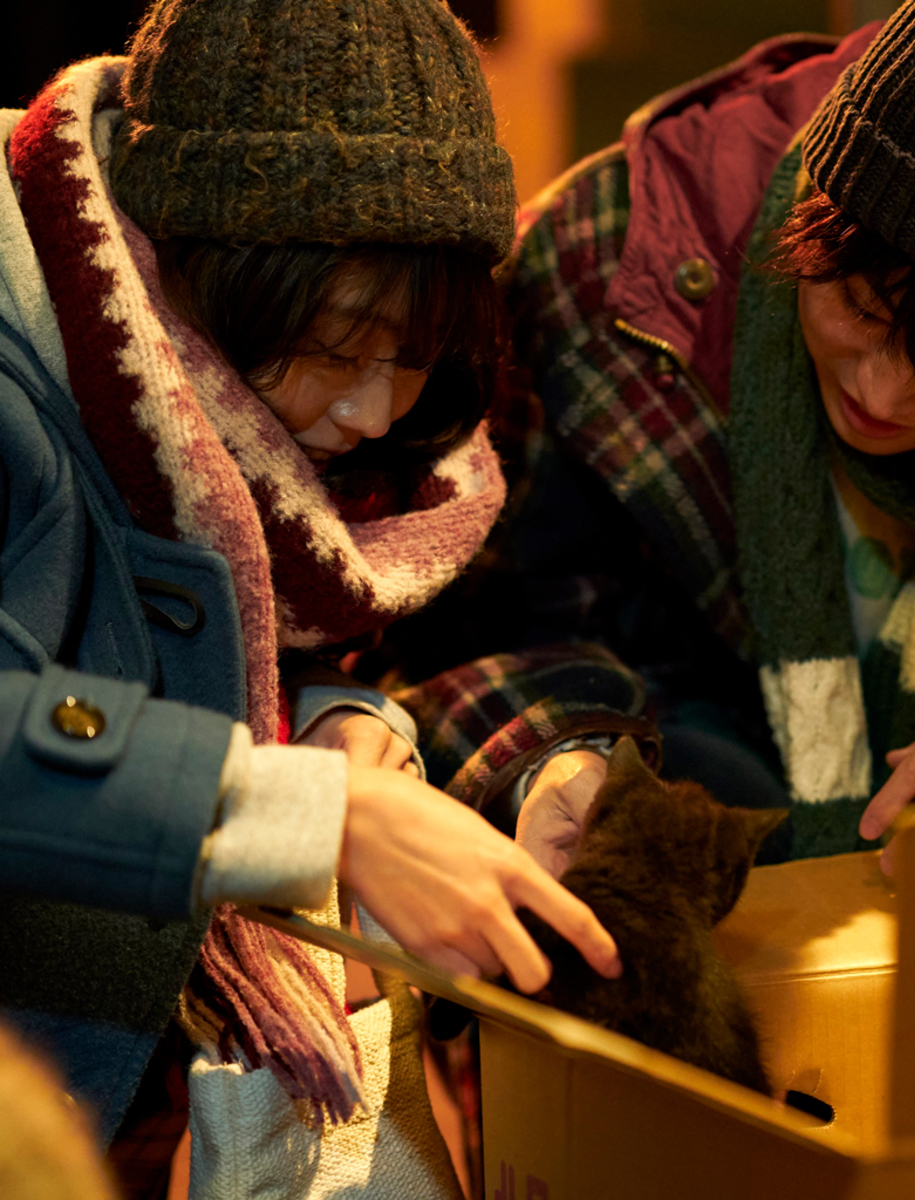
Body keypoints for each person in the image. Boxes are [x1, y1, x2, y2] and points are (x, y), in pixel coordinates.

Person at [0, 0, 628, 1192]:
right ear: (214, 270)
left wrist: (344, 729)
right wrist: (303, 812)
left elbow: (210, 650)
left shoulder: (203, 382)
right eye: (341, 346)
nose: (382, 412)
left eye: (417, 355)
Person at [387, 0, 915, 877]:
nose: (879, 391)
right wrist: (554, 758)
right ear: (820, 211)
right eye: (860, 309)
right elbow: (454, 636)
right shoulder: (619, 266)